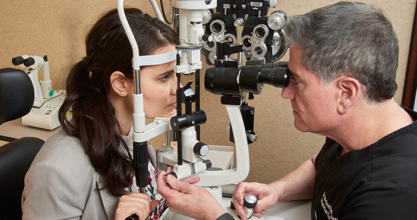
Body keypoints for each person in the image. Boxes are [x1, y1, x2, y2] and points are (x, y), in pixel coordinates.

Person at [157, 1, 417, 220]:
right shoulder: (359, 134)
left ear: (346, 93)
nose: (286, 92)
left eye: (297, 82)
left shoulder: (389, 197)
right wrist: (277, 189)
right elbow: (322, 167)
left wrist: (214, 216)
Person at [22, 8, 179, 220]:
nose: (176, 88)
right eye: (164, 77)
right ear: (120, 83)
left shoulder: (131, 131)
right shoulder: (55, 170)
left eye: (176, 74)